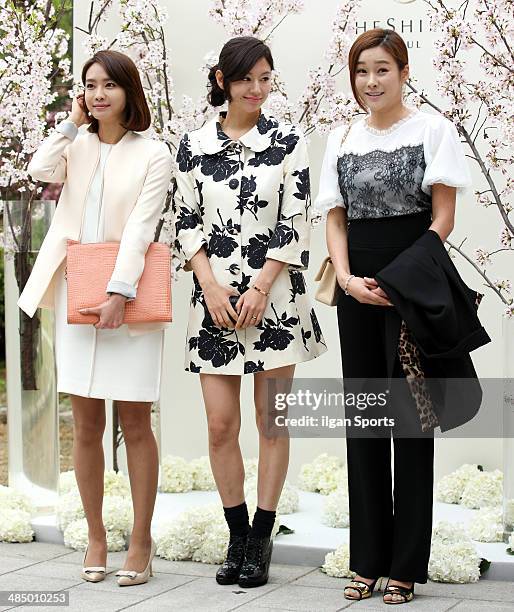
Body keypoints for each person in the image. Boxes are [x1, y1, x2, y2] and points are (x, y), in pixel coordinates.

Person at [314, 29, 475, 604]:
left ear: (404, 72)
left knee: (411, 422)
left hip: (412, 286)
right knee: (364, 423)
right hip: (357, 290)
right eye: (361, 71)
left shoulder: (432, 129)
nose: (371, 81)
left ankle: (405, 566)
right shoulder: (341, 138)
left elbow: (443, 216)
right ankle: (367, 561)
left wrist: (398, 281)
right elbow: (334, 218)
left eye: (382, 69)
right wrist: (350, 280)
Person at [173, 36, 327, 588]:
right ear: (222, 80)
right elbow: (185, 221)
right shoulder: (192, 145)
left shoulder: (288, 142)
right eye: (246, 80)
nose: (257, 89)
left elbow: (297, 219)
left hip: (275, 299)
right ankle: (235, 533)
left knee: (270, 421)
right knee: (220, 425)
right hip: (212, 302)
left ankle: (261, 536)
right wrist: (210, 285)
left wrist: (262, 285)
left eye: (266, 78)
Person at [18, 50, 172, 587]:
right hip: (74, 292)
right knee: (86, 424)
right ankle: (97, 536)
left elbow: (141, 229)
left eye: (109, 84)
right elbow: (38, 171)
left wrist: (118, 292)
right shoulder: (76, 145)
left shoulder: (153, 154)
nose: (99, 93)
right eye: (90, 85)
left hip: (125, 298)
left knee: (134, 422)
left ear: (130, 91)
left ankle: (142, 540)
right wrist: (70, 122)